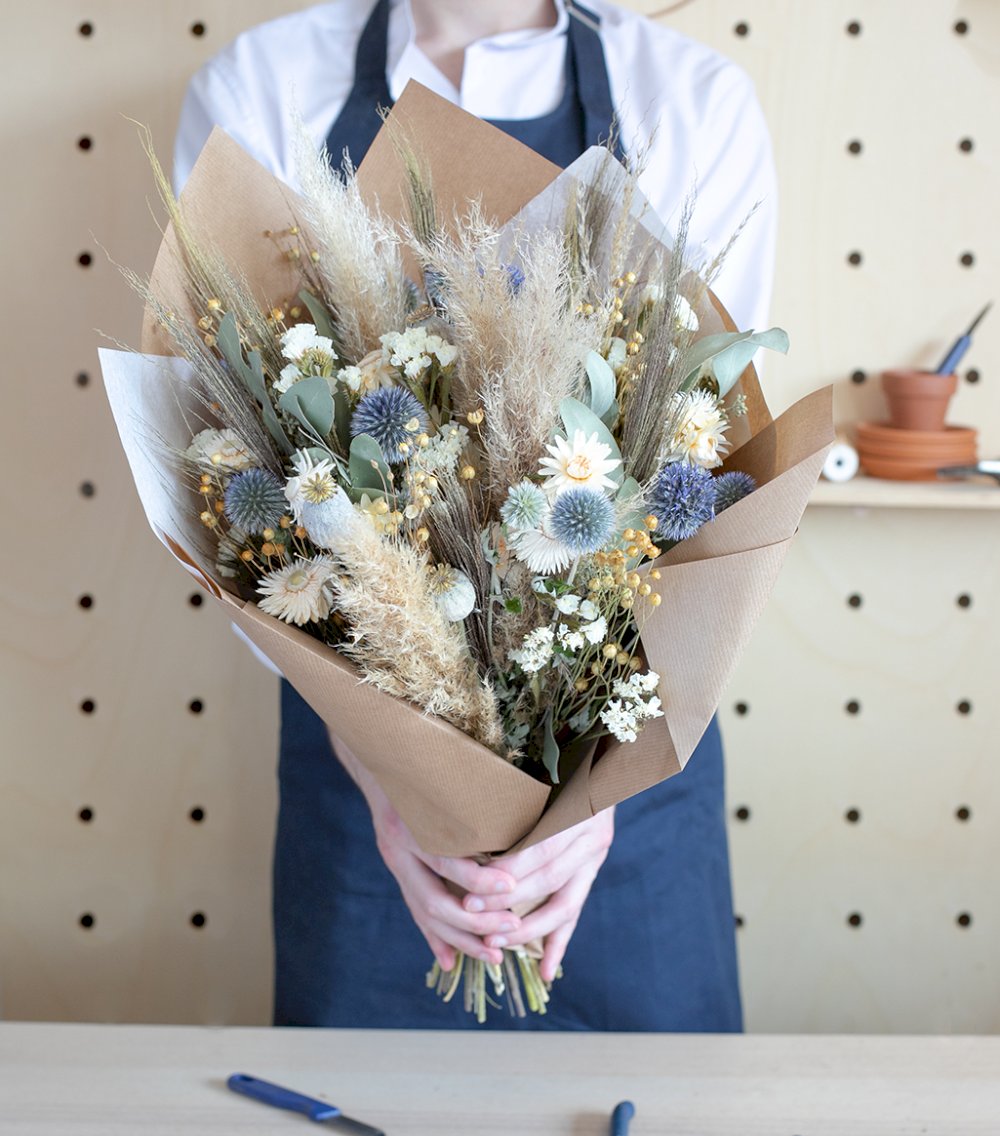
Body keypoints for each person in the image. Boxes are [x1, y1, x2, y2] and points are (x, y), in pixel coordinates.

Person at [174, 0, 777, 1031]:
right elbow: (225, 479)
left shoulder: (688, 103)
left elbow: (715, 474)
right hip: (367, 797)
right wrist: (398, 784)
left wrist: (587, 812)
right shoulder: (262, 89)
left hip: (629, 795)